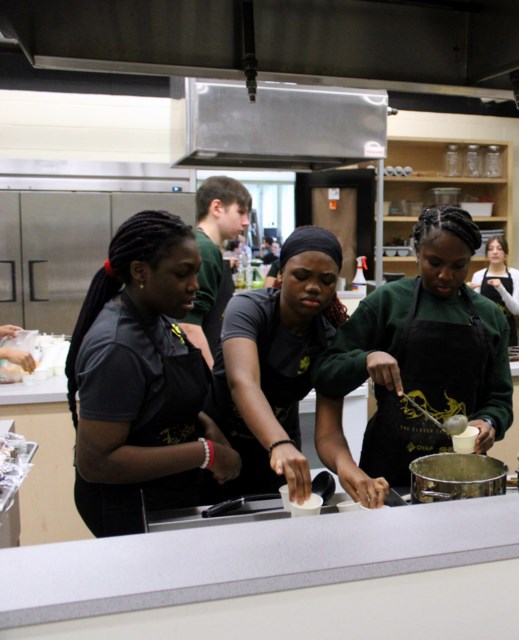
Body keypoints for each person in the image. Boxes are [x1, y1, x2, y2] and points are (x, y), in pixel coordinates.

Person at [312, 205, 513, 496]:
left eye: (459, 266)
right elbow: (326, 371)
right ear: (417, 250)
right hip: (388, 470)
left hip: (459, 472)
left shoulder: (490, 316)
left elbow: (499, 399)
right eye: (434, 262)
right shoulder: (387, 302)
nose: (445, 275)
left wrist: (489, 422)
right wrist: (365, 359)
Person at [65, 210, 242, 537]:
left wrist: (206, 424)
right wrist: (206, 453)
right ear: (139, 272)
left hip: (167, 493)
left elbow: (160, 401)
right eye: (181, 274)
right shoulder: (117, 348)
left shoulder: (159, 319)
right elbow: (97, 462)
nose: (195, 286)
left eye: (196, 273)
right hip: (130, 506)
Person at [206, 226, 362, 504]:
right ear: (280, 273)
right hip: (221, 445)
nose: (313, 286)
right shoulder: (248, 308)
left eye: (326, 280)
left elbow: (328, 434)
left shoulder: (328, 339)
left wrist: (347, 468)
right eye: (301, 276)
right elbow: (243, 382)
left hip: (278, 459)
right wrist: (279, 443)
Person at [180, 176, 252, 368]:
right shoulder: (204, 249)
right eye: (241, 212)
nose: (246, 222)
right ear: (217, 208)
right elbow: (189, 326)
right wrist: (212, 379)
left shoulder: (201, 245)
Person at [470, 235, 519, 347]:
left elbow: (515, 310)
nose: (495, 252)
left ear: (506, 254)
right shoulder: (478, 275)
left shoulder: (516, 274)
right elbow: (475, 310)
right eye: (491, 249)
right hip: (485, 330)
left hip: (507, 329)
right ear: (487, 254)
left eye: (499, 249)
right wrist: (468, 293)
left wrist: (500, 288)